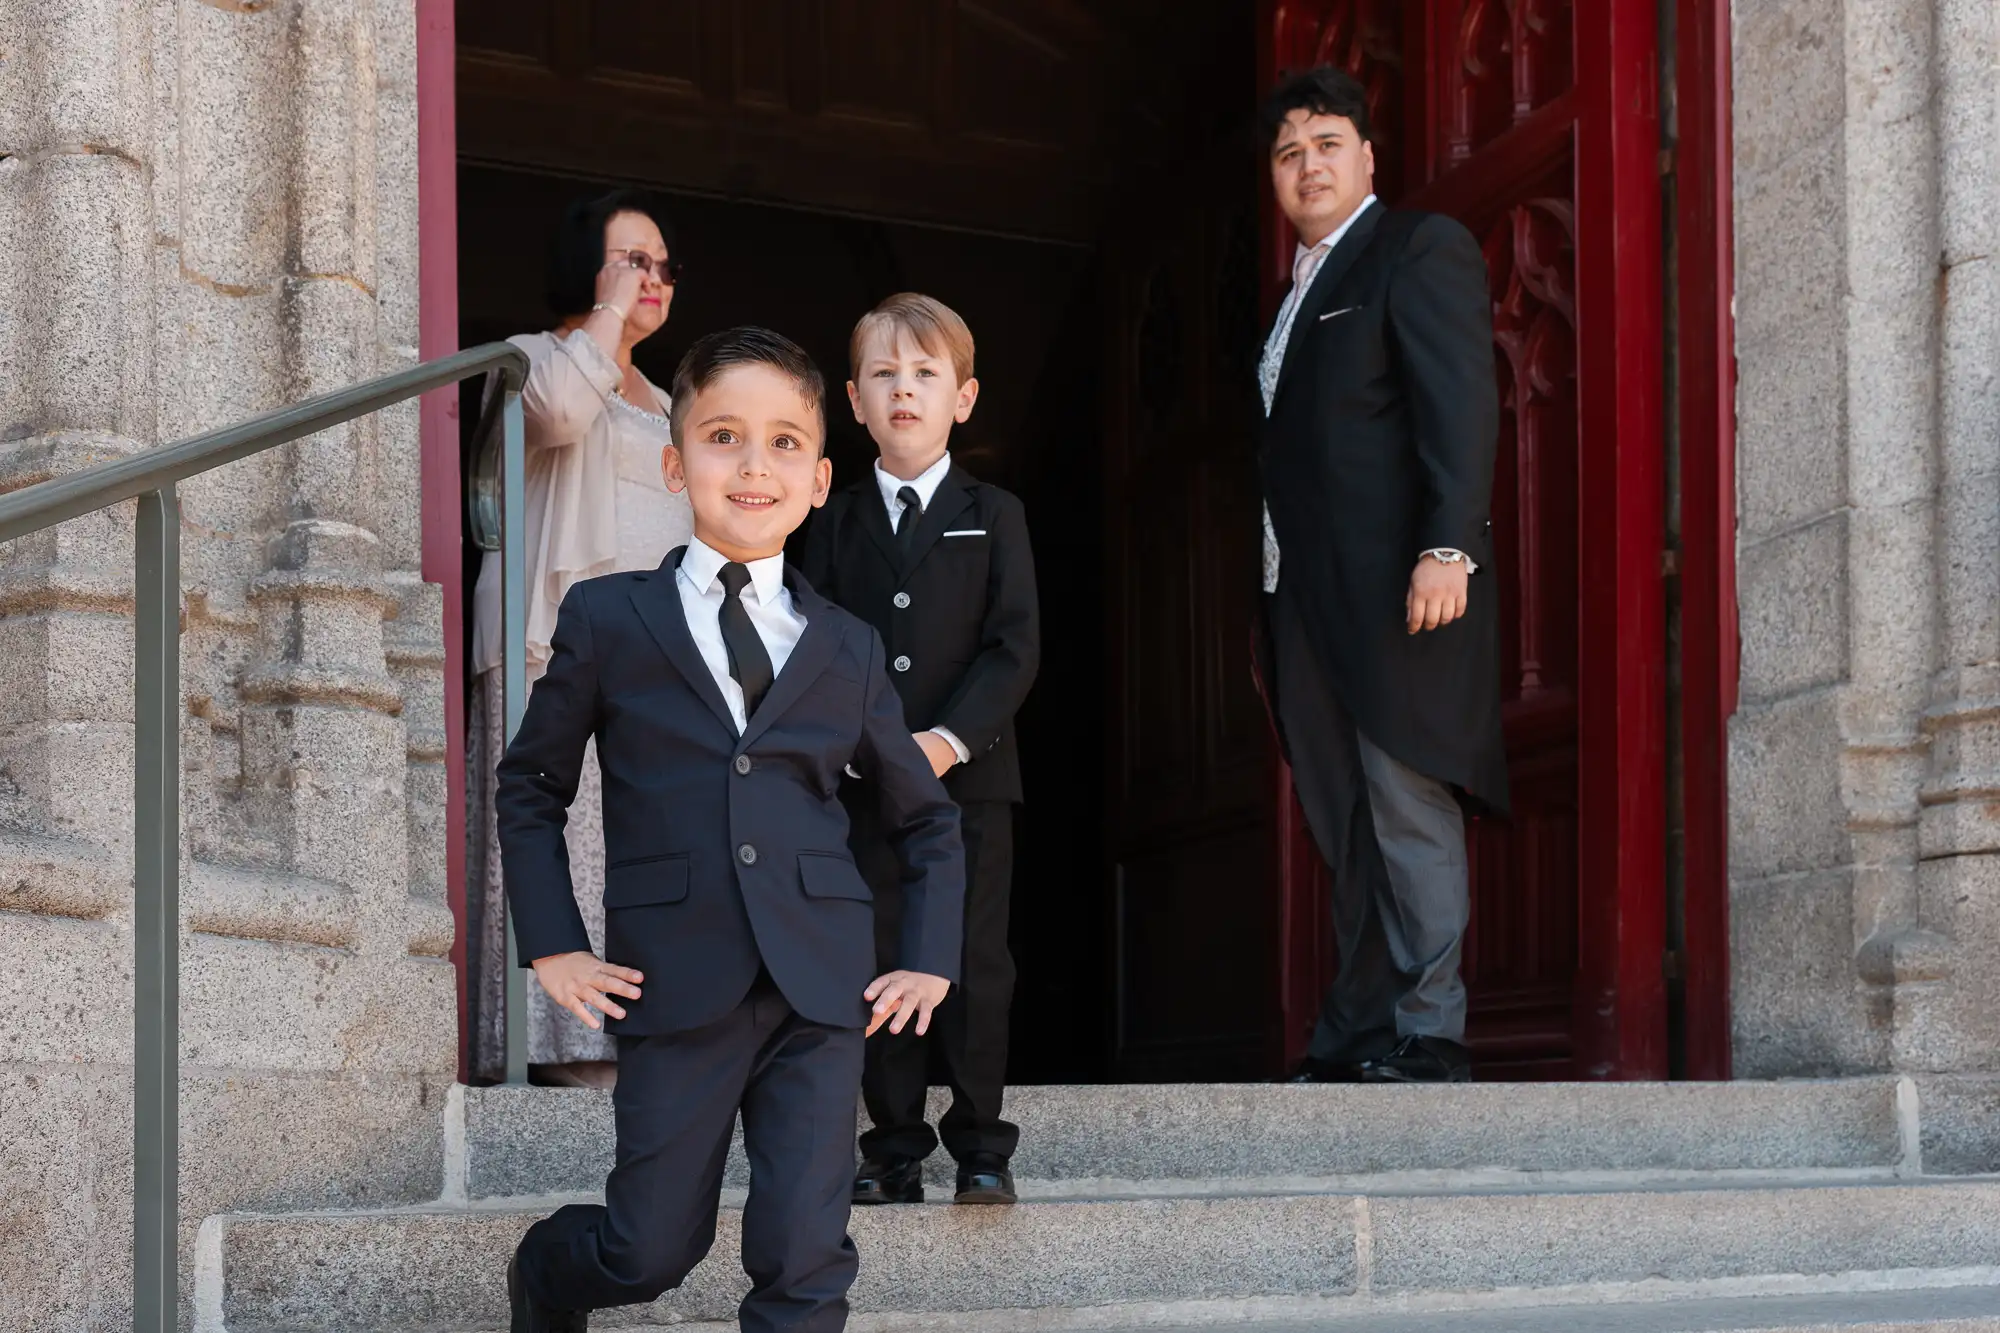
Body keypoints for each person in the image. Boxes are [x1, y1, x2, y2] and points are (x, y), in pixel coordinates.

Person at [498, 326, 964, 1333]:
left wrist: (924, 957)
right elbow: (530, 784)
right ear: (676, 463)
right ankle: (546, 1269)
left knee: (805, 1255)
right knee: (649, 1248)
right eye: (722, 437)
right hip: (674, 979)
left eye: (784, 443)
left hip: (819, 984)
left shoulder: (846, 645)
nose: (754, 465)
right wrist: (553, 943)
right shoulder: (608, 618)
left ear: (818, 475)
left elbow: (923, 821)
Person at [1253, 68, 1507, 1086]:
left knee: (1403, 799)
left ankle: (1430, 1029)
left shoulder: (1413, 248)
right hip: (1300, 603)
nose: (1305, 164)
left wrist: (1448, 544)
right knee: (1339, 816)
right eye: (1285, 152)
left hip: (1401, 587)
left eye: (1324, 143)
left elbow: (1458, 402)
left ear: (1365, 156)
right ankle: (1356, 1028)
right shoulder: (1290, 294)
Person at [801, 294, 1039, 1207]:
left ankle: (981, 1142)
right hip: (862, 782)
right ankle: (892, 1140)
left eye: (926, 374)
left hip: (972, 780)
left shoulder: (997, 511)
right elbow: (812, 633)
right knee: (878, 953)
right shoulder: (831, 517)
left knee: (975, 962)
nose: (905, 391)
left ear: (963, 398)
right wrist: (858, 739)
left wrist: (944, 739)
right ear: (854, 403)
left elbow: (1014, 645)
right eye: (884, 376)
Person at [468, 189, 692, 1087]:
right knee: (558, 836)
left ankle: (634, 1039)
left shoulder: (671, 394)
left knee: (636, 847)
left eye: (664, 266)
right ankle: (552, 1047)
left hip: (651, 653)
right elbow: (557, 414)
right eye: (633, 258)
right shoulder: (530, 358)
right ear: (590, 267)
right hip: (547, 643)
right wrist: (605, 311)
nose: (652, 277)